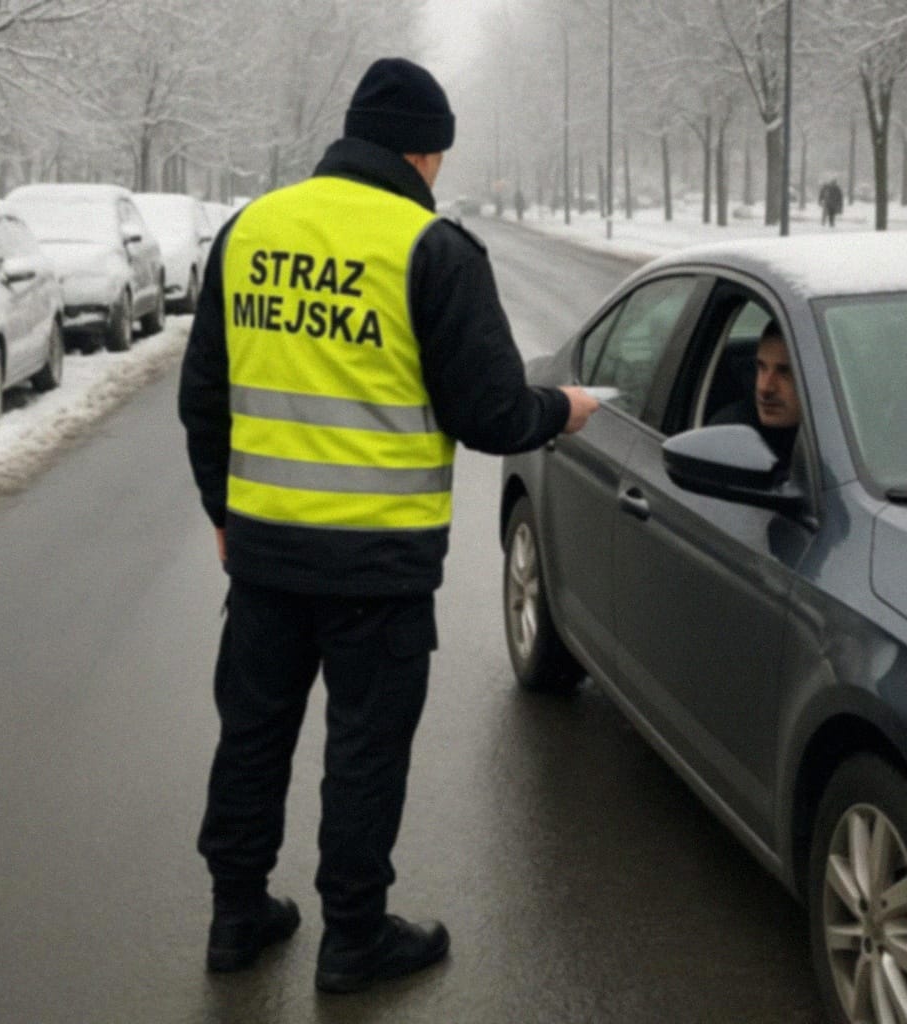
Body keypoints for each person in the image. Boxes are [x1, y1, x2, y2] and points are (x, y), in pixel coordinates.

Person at [178, 56, 600, 994]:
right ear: (425, 152)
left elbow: (202, 396)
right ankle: (353, 939)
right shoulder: (430, 250)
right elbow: (491, 413)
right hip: (378, 566)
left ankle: (236, 915)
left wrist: (223, 511)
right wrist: (561, 409)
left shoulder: (250, 229)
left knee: (252, 734)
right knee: (363, 752)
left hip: (266, 553)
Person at [709, 318, 800, 466]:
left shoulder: (843, 436)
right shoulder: (730, 434)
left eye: (784, 372)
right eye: (761, 367)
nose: (765, 387)